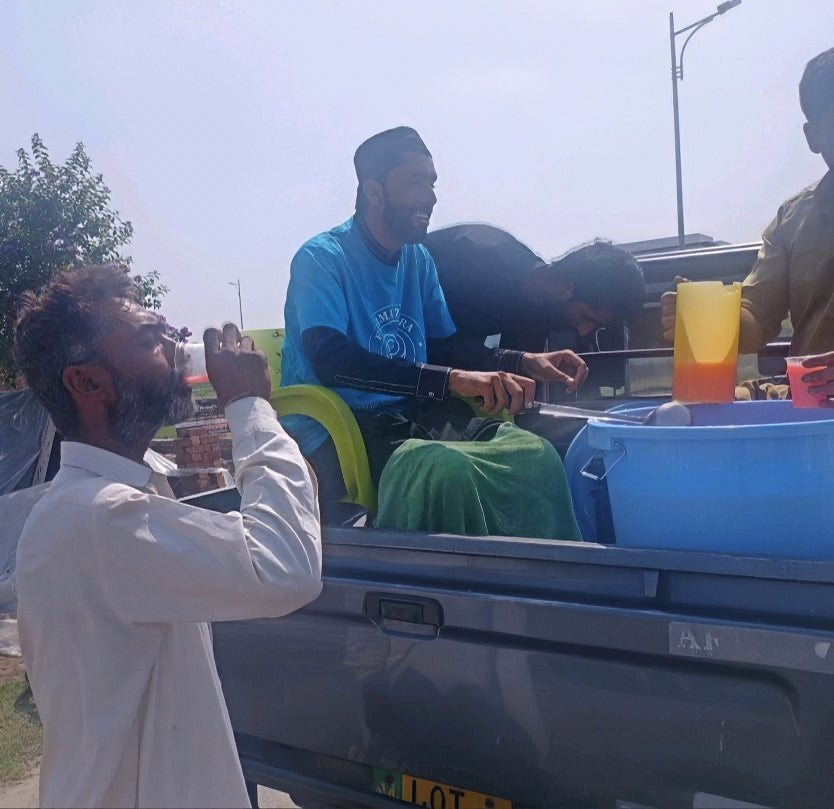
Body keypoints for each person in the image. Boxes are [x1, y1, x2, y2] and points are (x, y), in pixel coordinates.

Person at [13, 264, 322, 809]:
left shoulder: (99, 504)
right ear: (87, 382)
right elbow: (286, 567)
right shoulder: (100, 518)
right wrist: (249, 405)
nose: (178, 349)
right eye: (149, 340)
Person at [281, 126, 585, 536]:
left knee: (537, 455)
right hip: (343, 425)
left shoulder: (418, 260)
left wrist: (522, 361)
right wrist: (450, 381)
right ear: (374, 192)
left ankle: (545, 573)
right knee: (449, 471)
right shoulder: (321, 258)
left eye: (432, 182)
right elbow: (332, 361)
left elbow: (443, 348)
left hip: (412, 412)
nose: (431, 196)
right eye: (415, 182)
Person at [661, 47, 834, 400]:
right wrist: (708, 317)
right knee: (696, 410)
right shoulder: (793, 220)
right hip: (812, 400)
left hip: (810, 402)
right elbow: (757, 317)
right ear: (813, 136)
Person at [423, 224, 646, 356]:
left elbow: (515, 376)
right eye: (586, 318)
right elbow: (427, 337)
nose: (582, 331)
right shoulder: (475, 256)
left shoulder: (539, 315)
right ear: (566, 288)